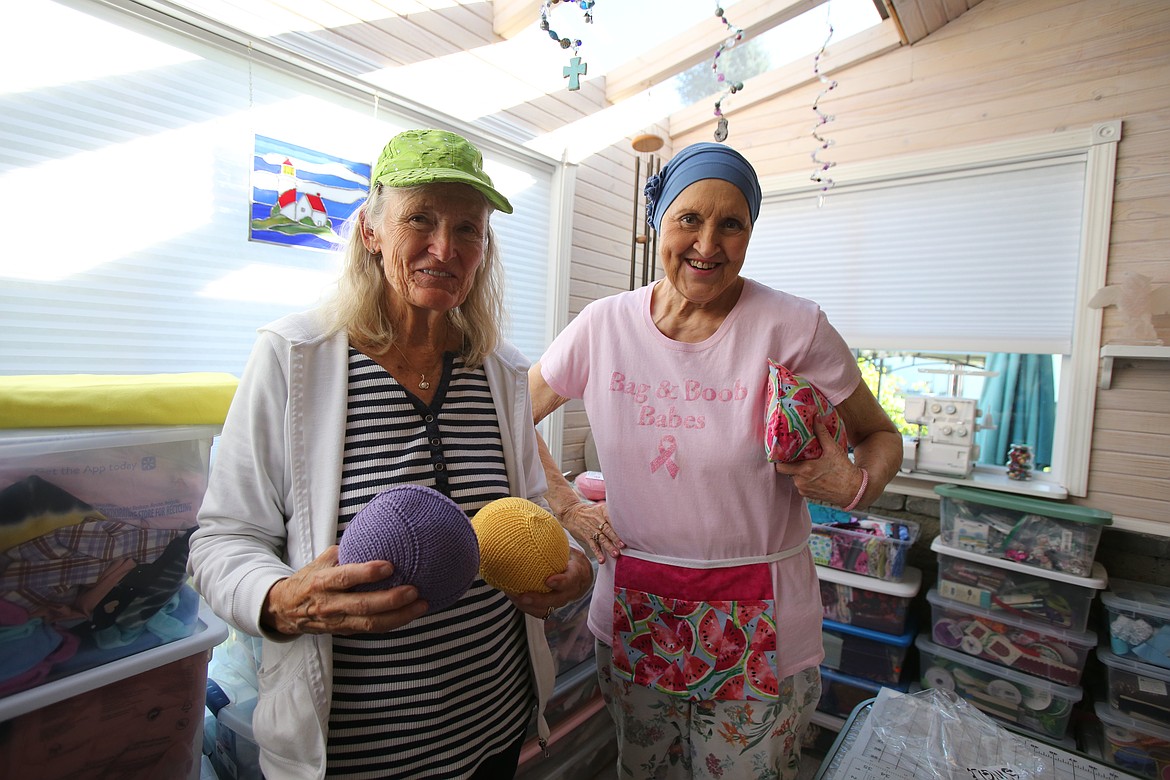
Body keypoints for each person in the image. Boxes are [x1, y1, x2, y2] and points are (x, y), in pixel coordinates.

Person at [189, 128, 594, 780]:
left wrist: (571, 570)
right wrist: (284, 601)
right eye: (420, 219)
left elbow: (532, 512)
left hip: (492, 732)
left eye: (469, 228)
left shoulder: (500, 374)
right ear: (371, 231)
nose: (445, 247)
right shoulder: (295, 361)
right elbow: (221, 540)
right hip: (357, 757)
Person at [529, 141, 903, 779]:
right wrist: (565, 502)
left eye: (732, 224)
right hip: (635, 610)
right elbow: (510, 413)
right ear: (658, 224)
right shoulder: (602, 326)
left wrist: (855, 483)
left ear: (750, 233)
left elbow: (880, 436)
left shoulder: (792, 326)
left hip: (765, 621)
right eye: (689, 219)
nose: (709, 243)